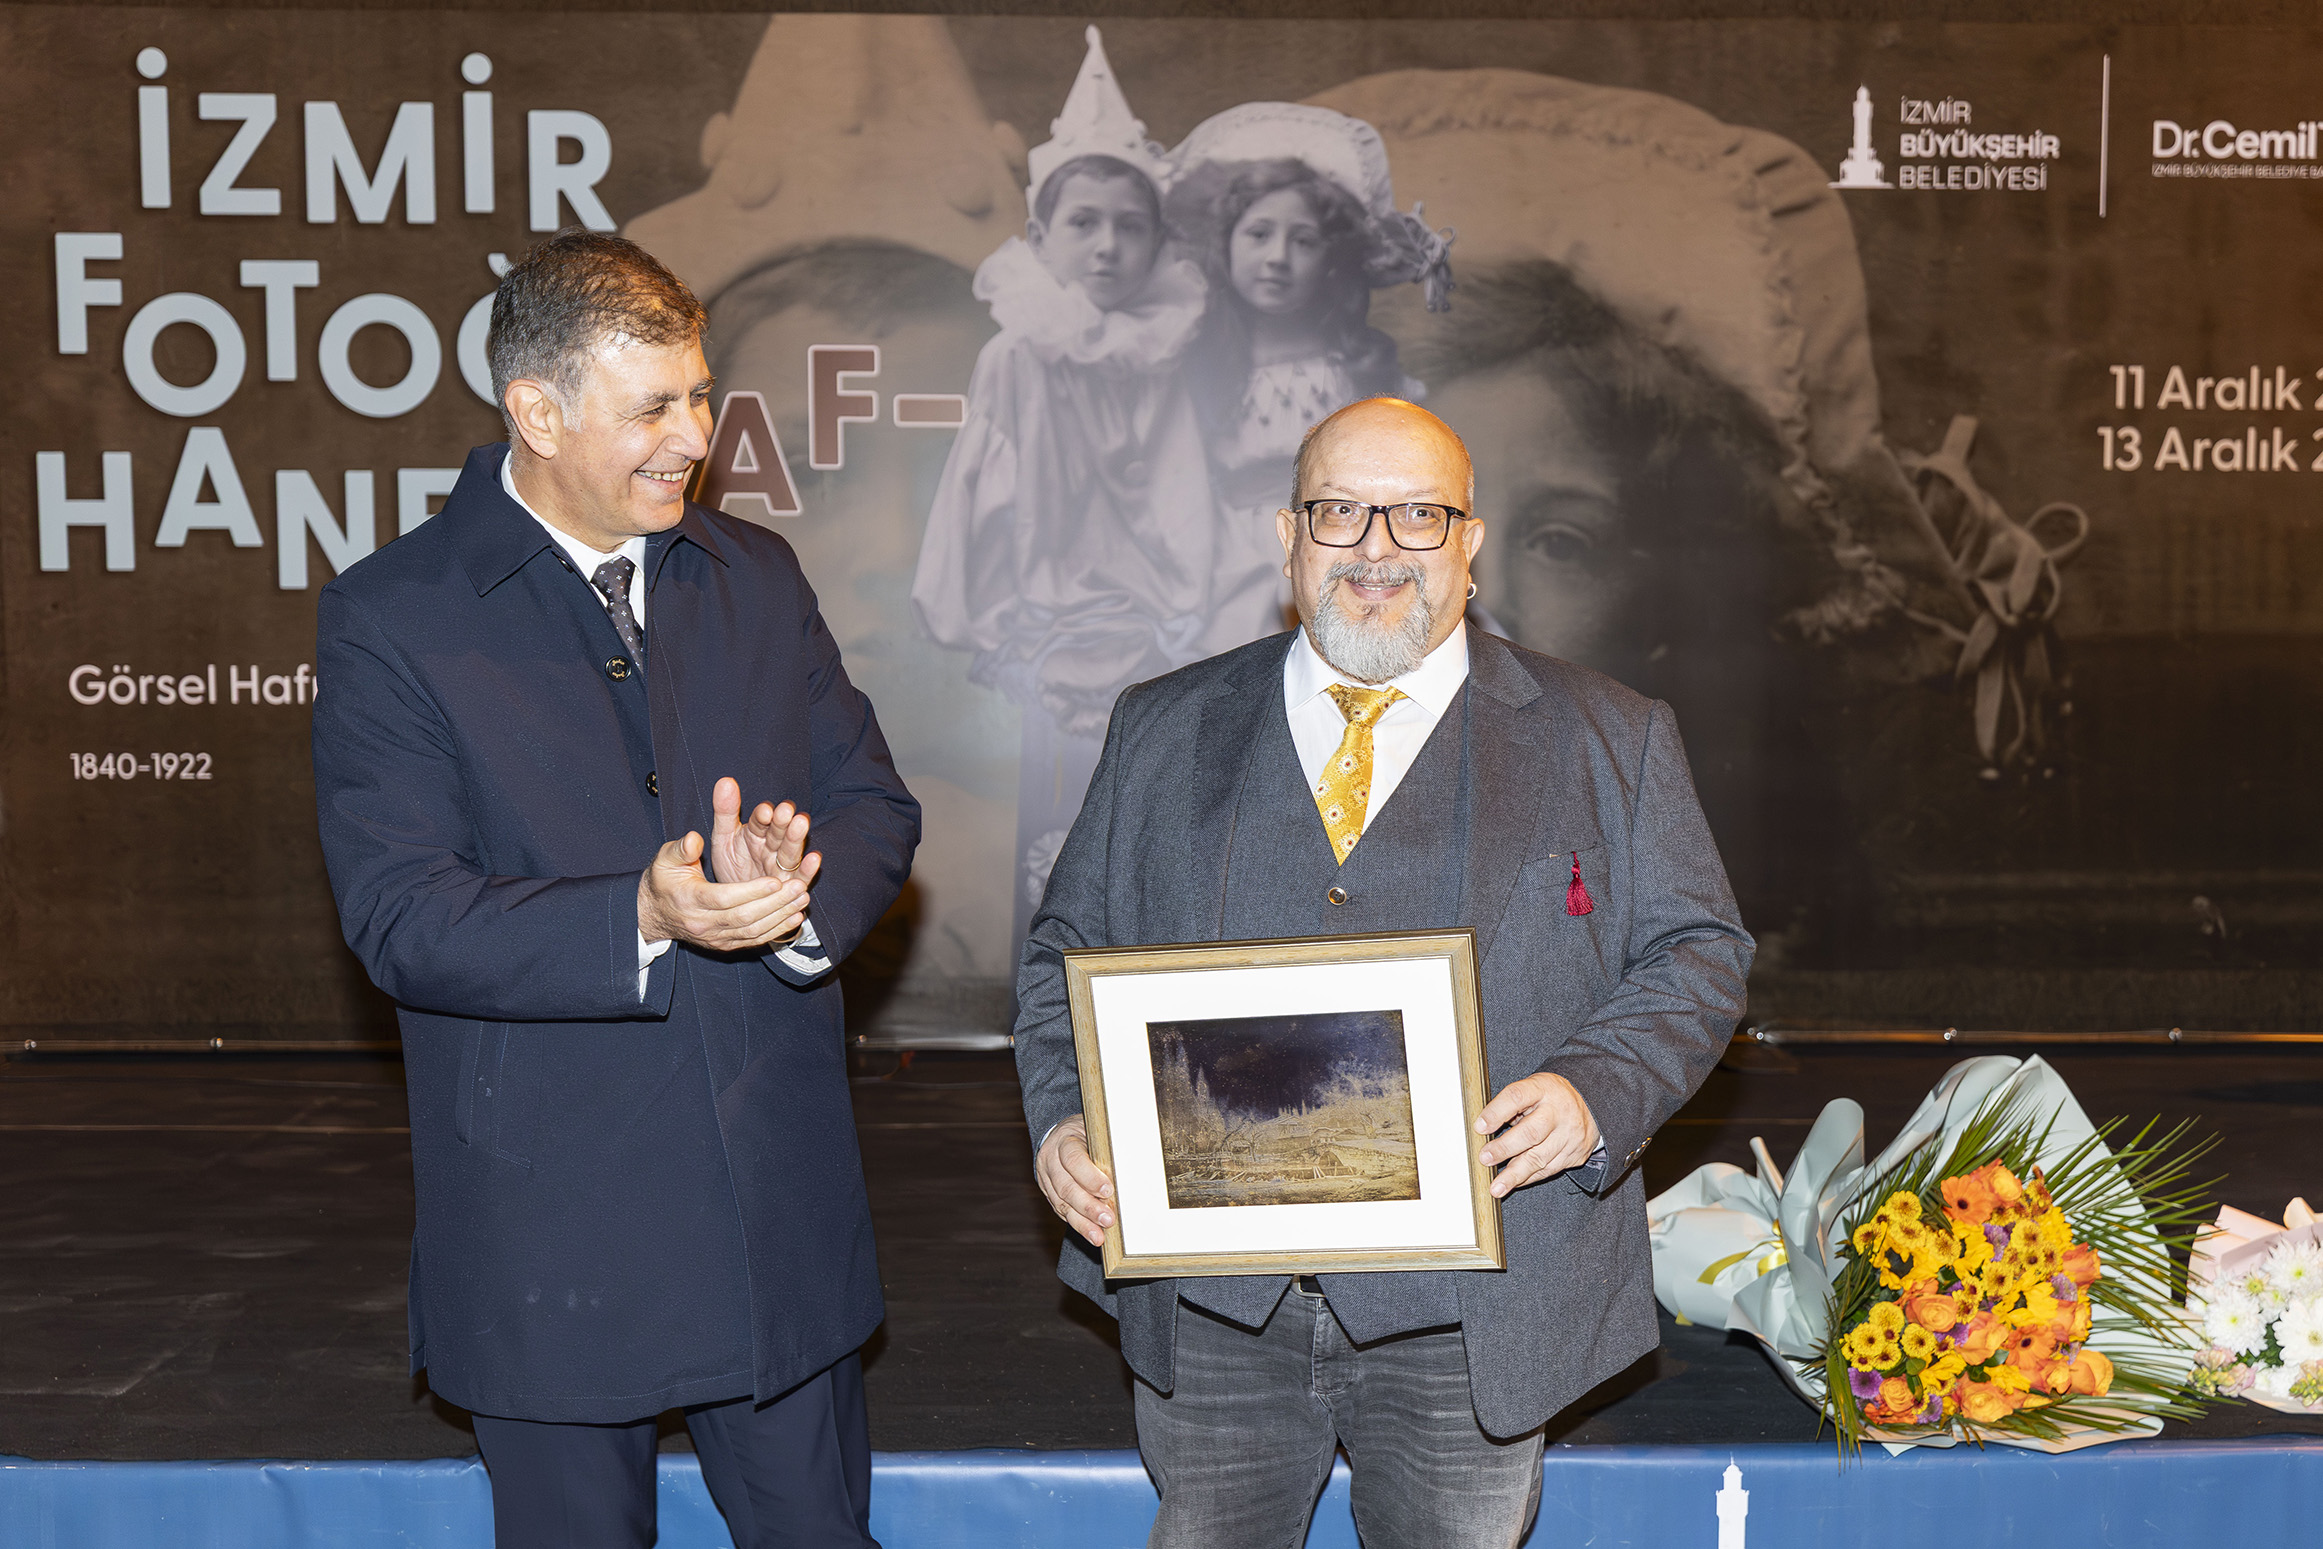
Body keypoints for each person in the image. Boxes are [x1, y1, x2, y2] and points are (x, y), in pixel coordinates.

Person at [1013, 397, 1753, 1548]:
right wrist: (1064, 1125)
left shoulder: (1611, 733)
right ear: (1286, 535)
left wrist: (1591, 1093)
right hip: (1214, 1313)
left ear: (1468, 542)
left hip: (1475, 1313)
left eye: (1416, 514)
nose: (1375, 547)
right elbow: (1063, 953)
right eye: (1340, 510)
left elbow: (1700, 954)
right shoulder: (1160, 726)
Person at [311, 230, 919, 1548]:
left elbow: (874, 804)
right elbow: (402, 915)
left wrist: (796, 897)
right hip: (552, 1229)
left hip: (775, 1211)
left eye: (701, 395)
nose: (693, 435)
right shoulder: (395, 614)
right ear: (533, 410)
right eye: (653, 405)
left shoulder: (753, 577)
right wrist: (641, 914)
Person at [912, 25, 1217, 959]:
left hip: (1150, 631)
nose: (1107, 245)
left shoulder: (1167, 353)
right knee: (1054, 845)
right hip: (1051, 632)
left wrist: (1183, 617)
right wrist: (990, 621)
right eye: (1083, 223)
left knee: (1149, 844)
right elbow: (980, 496)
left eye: (1130, 226)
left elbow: (1180, 496)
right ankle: (1050, 1044)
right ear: (1042, 238)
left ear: (1158, 242)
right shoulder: (1016, 353)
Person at [1164, 103, 1453, 657]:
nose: (1277, 257)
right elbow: (1175, 490)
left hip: (1351, 558)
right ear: (1226, 248)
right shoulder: (1195, 368)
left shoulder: (1366, 369)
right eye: (1258, 234)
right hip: (1221, 563)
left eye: (1303, 241)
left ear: (1330, 260)